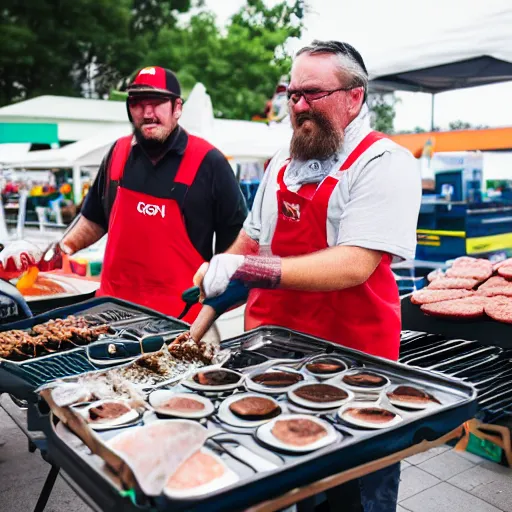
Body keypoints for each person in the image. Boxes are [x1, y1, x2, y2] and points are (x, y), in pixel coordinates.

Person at [194, 41, 422, 511]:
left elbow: (354, 263)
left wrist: (248, 267)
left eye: (312, 93)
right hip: (273, 365)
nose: (298, 106)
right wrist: (202, 316)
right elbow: (251, 241)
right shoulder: (282, 164)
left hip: (357, 371)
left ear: (354, 97)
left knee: (354, 495)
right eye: (292, 94)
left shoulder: (384, 163)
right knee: (294, 487)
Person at [0, 67, 246, 322]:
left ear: (177, 108)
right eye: (138, 103)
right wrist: (60, 250)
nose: (147, 113)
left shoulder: (209, 163)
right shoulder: (118, 154)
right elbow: (94, 219)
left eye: (157, 102)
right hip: (110, 316)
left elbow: (238, 245)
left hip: (179, 322)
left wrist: (215, 309)